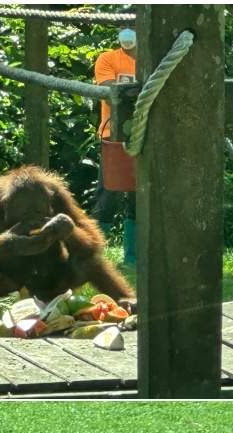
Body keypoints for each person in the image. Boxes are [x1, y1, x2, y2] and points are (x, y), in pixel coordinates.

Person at [93, 28, 136, 266]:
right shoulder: (108, 59)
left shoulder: (153, 61)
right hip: (114, 136)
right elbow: (111, 92)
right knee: (107, 194)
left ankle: (133, 257)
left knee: (139, 196)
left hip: (145, 135)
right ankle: (93, 254)